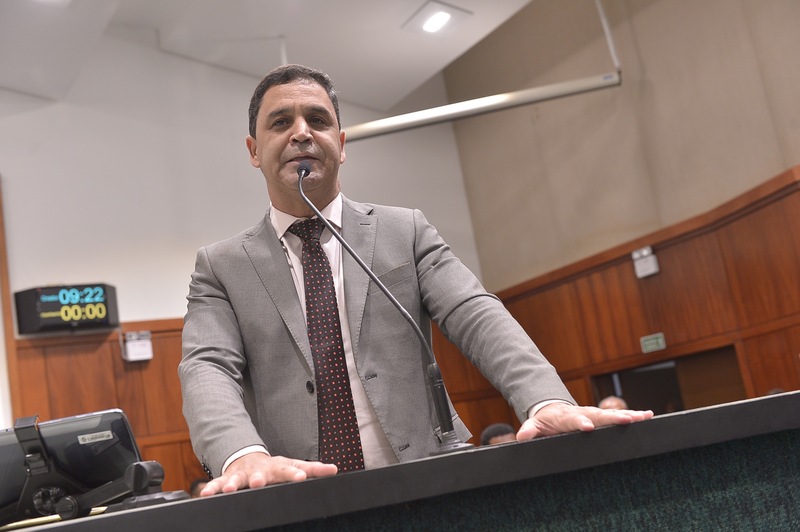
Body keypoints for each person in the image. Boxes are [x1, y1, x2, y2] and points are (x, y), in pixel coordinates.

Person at [179, 64, 653, 497]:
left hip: (427, 488)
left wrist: (543, 400)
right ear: (254, 151)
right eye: (281, 122)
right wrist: (241, 453)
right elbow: (207, 366)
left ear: (341, 144)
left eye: (317, 120)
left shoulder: (404, 231)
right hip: (297, 501)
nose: (301, 132)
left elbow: (474, 312)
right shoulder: (220, 267)